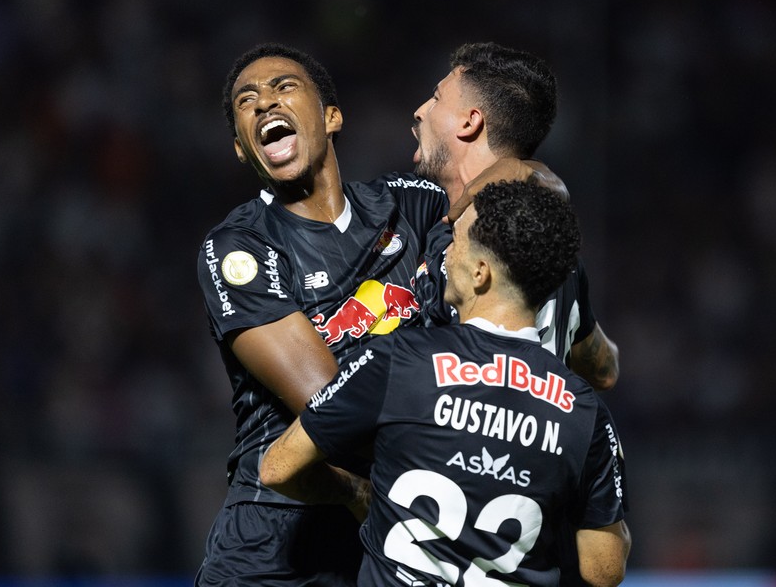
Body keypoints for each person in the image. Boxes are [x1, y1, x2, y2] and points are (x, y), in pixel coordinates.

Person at [260, 181, 632, 586]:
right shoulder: (584, 412)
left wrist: (357, 493)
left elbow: (277, 467)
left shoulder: (398, 358)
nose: (446, 252)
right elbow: (604, 569)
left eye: (455, 240)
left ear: (480, 272)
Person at [195, 43, 448, 586]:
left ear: (332, 117)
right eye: (247, 101)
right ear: (242, 149)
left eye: (284, 87)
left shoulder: (413, 206)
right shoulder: (240, 247)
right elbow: (328, 402)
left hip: (390, 526)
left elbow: (519, 207)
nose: (264, 103)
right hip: (278, 537)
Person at [410, 42, 620, 391]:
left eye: (435, 98)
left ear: (470, 121)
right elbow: (605, 369)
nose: (419, 111)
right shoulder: (555, 254)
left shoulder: (469, 241)